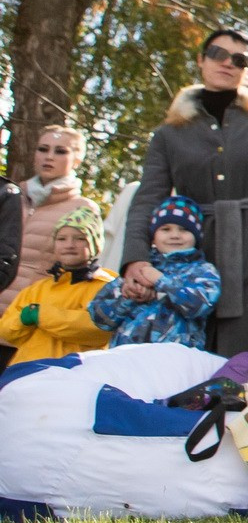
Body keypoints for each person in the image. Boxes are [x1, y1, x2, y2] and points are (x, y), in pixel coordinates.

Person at [120, 28, 248, 356]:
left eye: (239, 60)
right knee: (187, 354)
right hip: (189, 257)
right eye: (217, 54)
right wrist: (135, 257)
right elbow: (149, 197)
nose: (227, 63)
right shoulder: (170, 133)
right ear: (201, 60)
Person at [89, 197, 220, 348]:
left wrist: (160, 281)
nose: (175, 235)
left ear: (197, 236)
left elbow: (199, 306)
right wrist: (129, 296)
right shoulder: (138, 269)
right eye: (166, 229)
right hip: (127, 357)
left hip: (174, 357)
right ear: (153, 237)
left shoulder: (202, 271)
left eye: (184, 229)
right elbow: (100, 319)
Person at [0, 201, 112, 364]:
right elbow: (6, 331)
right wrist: (21, 320)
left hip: (72, 371)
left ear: (95, 243)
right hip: (26, 369)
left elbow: (97, 328)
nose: (69, 245)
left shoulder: (105, 286)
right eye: (61, 239)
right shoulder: (39, 288)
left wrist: (41, 315)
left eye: (80, 238)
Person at [1, 125, 88, 310]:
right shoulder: (8, 195)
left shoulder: (83, 209)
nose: (49, 156)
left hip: (29, 315)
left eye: (60, 151)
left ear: (77, 159)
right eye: (43, 149)